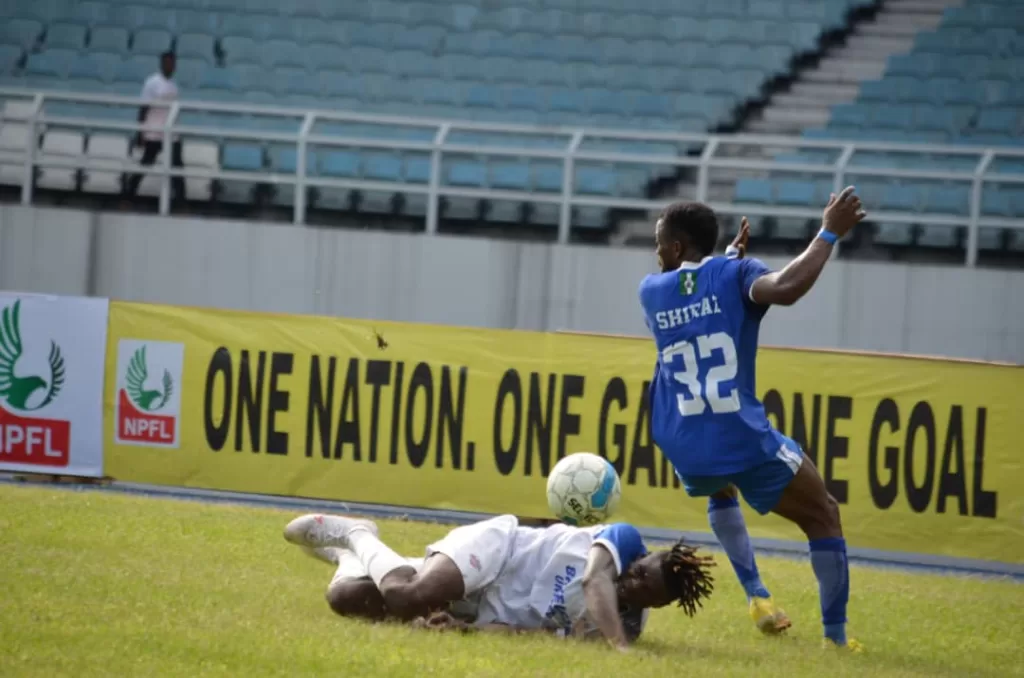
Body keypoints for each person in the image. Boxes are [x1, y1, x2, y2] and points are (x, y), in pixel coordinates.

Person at [638, 188, 866, 651]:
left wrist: (725, 262)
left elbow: (695, 295)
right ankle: (836, 641)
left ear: (677, 248)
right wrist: (828, 233)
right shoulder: (735, 275)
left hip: (680, 437)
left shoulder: (651, 291)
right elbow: (783, 288)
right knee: (824, 515)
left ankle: (758, 596)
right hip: (737, 435)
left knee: (720, 486)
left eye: (659, 242)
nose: (656, 251)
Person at [283, 513, 715, 651]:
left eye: (645, 590)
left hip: (487, 606)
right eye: (640, 570)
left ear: (656, 605)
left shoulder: (627, 624)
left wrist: (466, 630)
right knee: (406, 595)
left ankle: (350, 551)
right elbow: (593, 581)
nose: (634, 580)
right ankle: (355, 532)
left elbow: (537, 634)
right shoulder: (623, 540)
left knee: (344, 597)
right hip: (499, 551)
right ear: (643, 555)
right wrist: (619, 648)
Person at [125, 51, 185, 202]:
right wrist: (141, 132)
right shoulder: (151, 83)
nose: (170, 66)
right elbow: (143, 108)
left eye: (172, 63)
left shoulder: (174, 86)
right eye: (167, 63)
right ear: (161, 64)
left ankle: (181, 200)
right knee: (146, 163)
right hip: (154, 131)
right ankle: (128, 195)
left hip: (171, 132)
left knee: (177, 165)